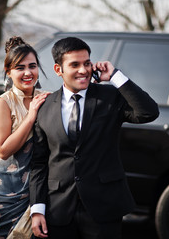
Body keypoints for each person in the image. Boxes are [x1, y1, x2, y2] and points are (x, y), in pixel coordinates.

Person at [29, 37, 159, 239]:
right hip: (58, 209)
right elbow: (38, 163)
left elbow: (148, 112)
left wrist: (115, 76)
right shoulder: (44, 106)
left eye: (87, 63)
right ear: (58, 70)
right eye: (75, 64)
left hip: (103, 207)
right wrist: (37, 208)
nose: (83, 70)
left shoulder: (109, 96)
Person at [0, 36, 49, 239]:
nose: (28, 72)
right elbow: (2, 150)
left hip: (40, 187)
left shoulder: (47, 98)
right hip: (8, 191)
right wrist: (30, 117)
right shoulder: (2, 103)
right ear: (8, 72)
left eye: (32, 66)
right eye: (20, 68)